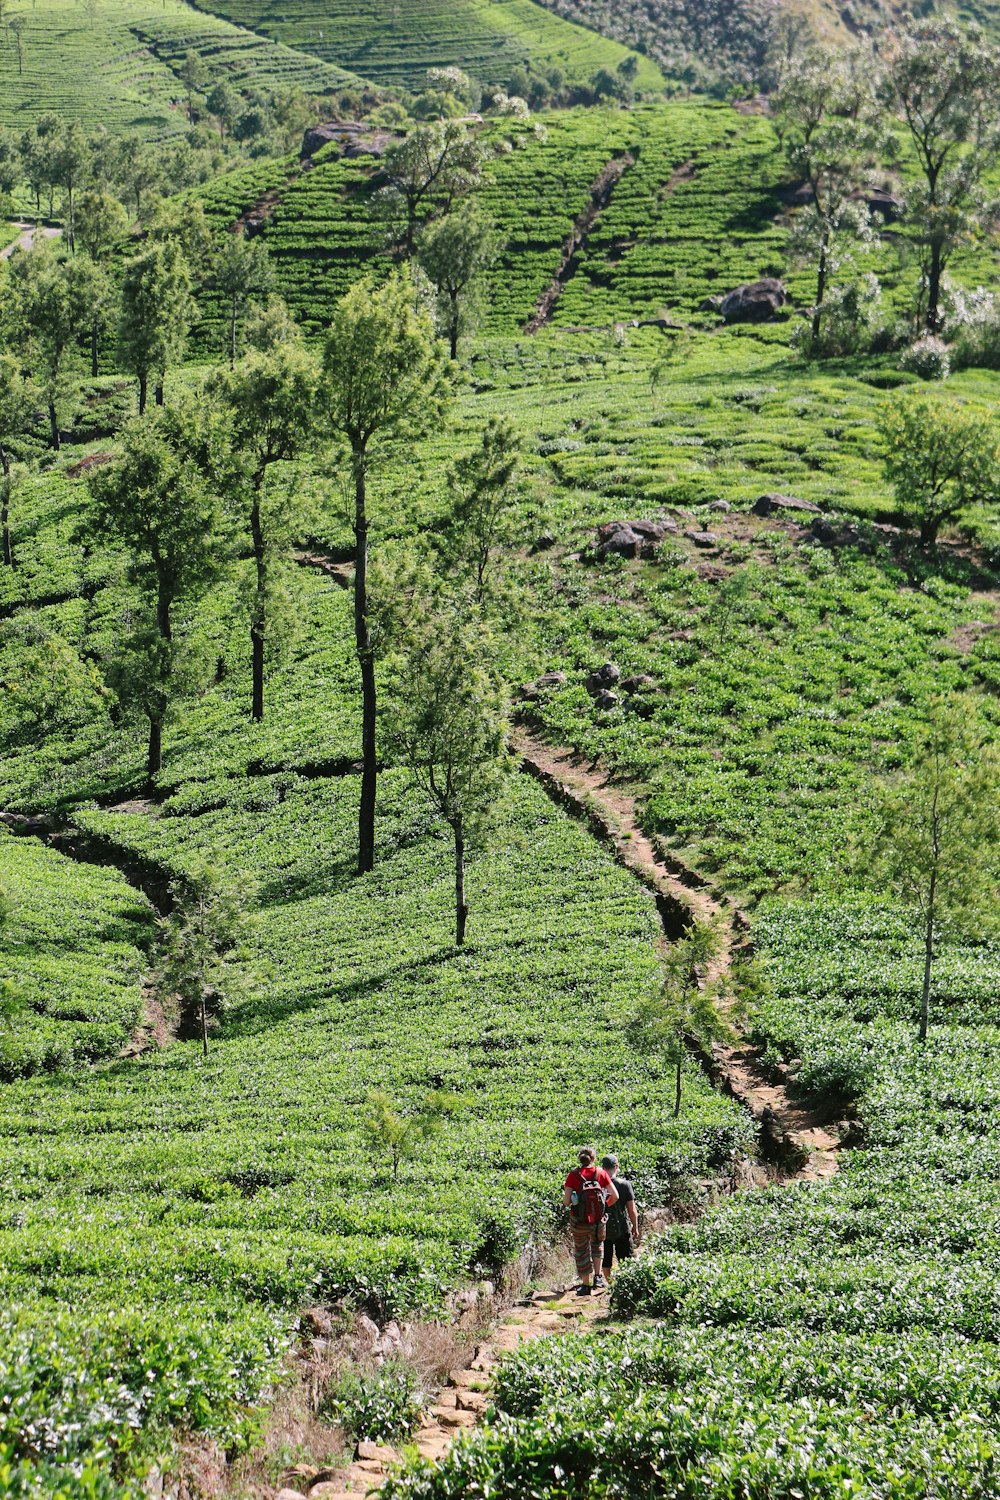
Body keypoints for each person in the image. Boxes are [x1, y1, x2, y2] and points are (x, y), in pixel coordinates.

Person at [564, 1145, 617, 1296]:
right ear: (593, 1158)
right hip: (598, 1220)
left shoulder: (573, 1175)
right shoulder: (600, 1173)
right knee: (597, 1245)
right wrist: (603, 1207)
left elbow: (566, 1202)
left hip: (579, 1221)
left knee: (581, 1250)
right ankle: (598, 1278)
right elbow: (615, 1195)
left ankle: (586, 1285)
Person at [601, 1154, 639, 1279]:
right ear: (616, 1166)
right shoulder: (624, 1185)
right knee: (625, 1258)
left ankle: (610, 1286)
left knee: (606, 1259)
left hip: (603, 1228)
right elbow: (631, 1209)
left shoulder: (598, 1185)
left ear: (603, 1167)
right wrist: (635, 1226)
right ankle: (624, 1284)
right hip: (622, 1227)